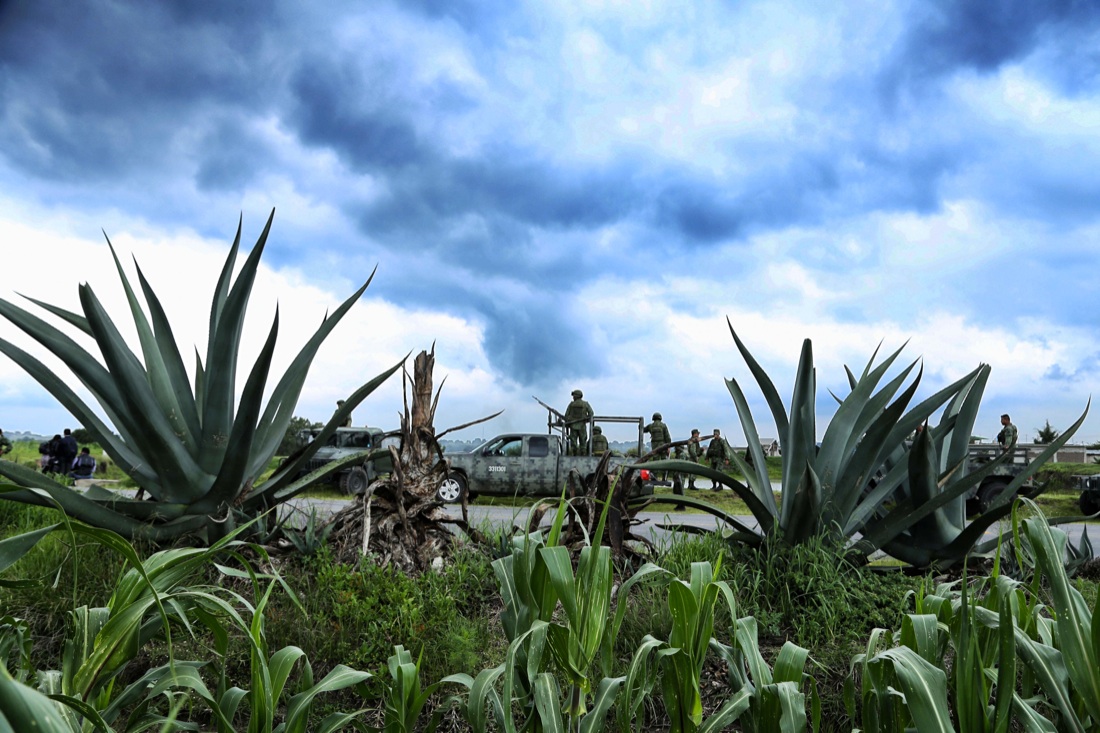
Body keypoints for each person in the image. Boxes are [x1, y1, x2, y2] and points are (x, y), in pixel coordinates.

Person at [563, 389, 594, 456]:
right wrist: (585, 419)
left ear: (576, 396)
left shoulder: (571, 404)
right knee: (583, 441)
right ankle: (583, 453)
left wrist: (570, 420)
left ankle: (574, 454)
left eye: (574, 395)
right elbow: (591, 413)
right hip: (582, 426)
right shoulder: (585, 404)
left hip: (573, 426)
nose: (573, 397)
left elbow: (566, 416)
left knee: (573, 441)